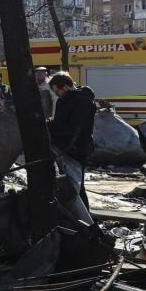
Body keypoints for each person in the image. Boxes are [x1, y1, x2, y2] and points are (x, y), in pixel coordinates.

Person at [48, 71, 96, 215]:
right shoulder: (69, 100)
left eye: (58, 91)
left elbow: (74, 127)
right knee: (74, 185)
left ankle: (84, 218)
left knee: (77, 186)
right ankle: (82, 216)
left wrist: (52, 128)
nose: (57, 95)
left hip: (75, 149)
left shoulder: (81, 101)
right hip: (70, 148)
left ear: (65, 87)